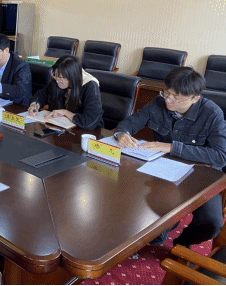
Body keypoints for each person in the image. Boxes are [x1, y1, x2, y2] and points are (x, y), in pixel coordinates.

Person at [115, 66, 226, 247]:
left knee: (212, 223)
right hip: (163, 170)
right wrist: (122, 133)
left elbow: (219, 156)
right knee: (127, 192)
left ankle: (181, 243)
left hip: (200, 176)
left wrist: (172, 147)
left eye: (176, 97)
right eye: (167, 92)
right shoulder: (158, 102)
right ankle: (162, 229)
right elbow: (130, 122)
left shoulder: (212, 114)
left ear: (195, 99)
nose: (168, 100)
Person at [28, 55, 104, 130]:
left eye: (61, 78)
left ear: (72, 77)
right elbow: (39, 96)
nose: (57, 81)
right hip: (61, 128)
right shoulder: (57, 81)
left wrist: (65, 113)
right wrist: (34, 105)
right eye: (55, 75)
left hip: (86, 132)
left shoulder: (90, 86)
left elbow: (89, 121)